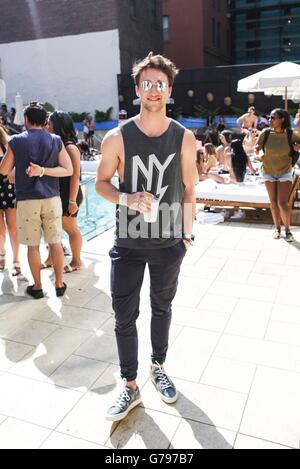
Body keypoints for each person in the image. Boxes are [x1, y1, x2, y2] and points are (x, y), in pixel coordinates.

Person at [96, 52, 196, 422]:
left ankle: (158, 367)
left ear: (169, 90)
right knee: (124, 315)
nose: (153, 91)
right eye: (147, 84)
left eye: (161, 85)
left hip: (169, 243)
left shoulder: (184, 138)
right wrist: (127, 197)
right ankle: (129, 385)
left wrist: (187, 237)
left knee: (162, 308)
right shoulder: (116, 137)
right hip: (128, 243)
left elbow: (189, 190)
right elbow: (101, 184)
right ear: (138, 89)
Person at [0, 102, 73, 298]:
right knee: (55, 242)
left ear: (25, 120)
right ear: (45, 121)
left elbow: (4, 170)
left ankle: (38, 287)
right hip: (52, 198)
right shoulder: (55, 140)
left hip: (27, 199)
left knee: (33, 246)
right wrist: (43, 170)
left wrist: (20, 169)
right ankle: (59, 283)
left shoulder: (16, 141)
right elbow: (68, 169)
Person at [42, 111, 83, 272]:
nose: (47, 126)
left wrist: (72, 201)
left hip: (69, 193)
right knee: (53, 228)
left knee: (70, 229)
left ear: (57, 125)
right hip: (58, 192)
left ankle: (77, 260)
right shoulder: (56, 144)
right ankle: (51, 259)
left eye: (49, 123)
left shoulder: (70, 147)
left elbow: (76, 176)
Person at [256, 108, 300, 242]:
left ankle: (287, 230)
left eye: (273, 118)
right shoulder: (265, 133)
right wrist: (259, 153)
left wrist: (297, 147)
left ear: (282, 120)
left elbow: (298, 144)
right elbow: (257, 148)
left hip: (285, 171)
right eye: (269, 117)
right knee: (273, 202)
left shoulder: (290, 134)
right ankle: (277, 228)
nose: (270, 120)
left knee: (283, 203)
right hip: (268, 171)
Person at [0, 125, 21, 275]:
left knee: (13, 228)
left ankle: (16, 260)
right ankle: (2, 254)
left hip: (8, 189)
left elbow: (19, 161)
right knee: (0, 230)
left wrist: (13, 170)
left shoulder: (7, 144)